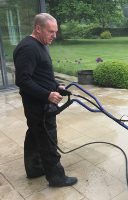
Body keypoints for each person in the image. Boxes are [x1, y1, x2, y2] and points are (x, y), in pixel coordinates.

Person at [13, 13, 77, 187]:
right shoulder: (28, 48)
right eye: (51, 32)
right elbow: (23, 80)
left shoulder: (39, 45)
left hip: (40, 103)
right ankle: (56, 177)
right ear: (38, 28)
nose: (54, 36)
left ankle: (34, 168)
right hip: (38, 105)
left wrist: (56, 86)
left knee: (35, 135)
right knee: (48, 138)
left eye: (55, 32)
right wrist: (47, 95)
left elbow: (41, 75)